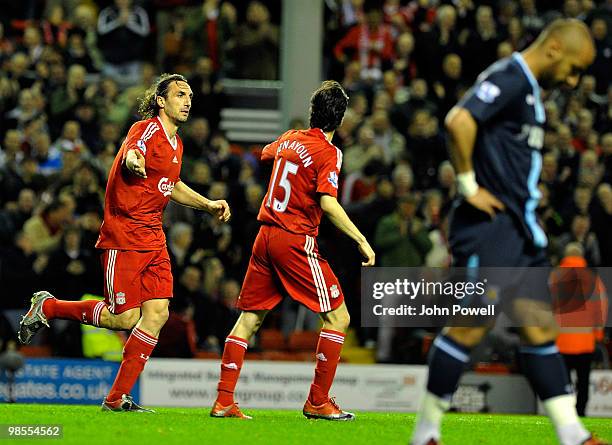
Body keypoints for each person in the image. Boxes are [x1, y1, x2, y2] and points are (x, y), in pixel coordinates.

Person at [410, 19, 605, 445]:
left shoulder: (529, 89)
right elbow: (459, 121)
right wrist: (468, 186)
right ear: (554, 48)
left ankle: (571, 434)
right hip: (491, 229)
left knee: (539, 327)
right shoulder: (511, 77)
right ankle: (424, 433)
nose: (573, 81)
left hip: (519, 230)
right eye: (573, 69)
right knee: (469, 326)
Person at [18, 73, 231, 412]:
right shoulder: (146, 130)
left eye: (189, 95)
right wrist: (133, 161)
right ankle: (48, 307)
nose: (187, 100)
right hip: (124, 236)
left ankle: (116, 398)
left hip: (154, 238)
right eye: (179, 94)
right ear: (161, 101)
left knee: (157, 314)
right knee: (123, 318)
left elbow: (170, 186)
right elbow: (134, 153)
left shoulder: (177, 144)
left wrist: (206, 204)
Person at [210, 80, 375, 420]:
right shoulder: (330, 153)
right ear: (340, 120)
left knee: (249, 320)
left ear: (314, 113)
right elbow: (328, 203)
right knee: (338, 317)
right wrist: (360, 239)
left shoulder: (289, 138)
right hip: (294, 239)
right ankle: (317, 401)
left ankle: (224, 399)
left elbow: (267, 153)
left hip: (265, 235)